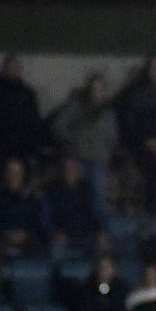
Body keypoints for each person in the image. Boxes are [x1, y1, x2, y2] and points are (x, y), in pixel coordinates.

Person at [47, 71, 117, 219]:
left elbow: (112, 135)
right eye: (95, 89)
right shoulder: (78, 108)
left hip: (99, 158)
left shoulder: (108, 111)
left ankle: (98, 228)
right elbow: (58, 125)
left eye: (101, 89)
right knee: (80, 195)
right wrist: (74, 139)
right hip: (80, 157)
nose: (98, 93)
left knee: (98, 196)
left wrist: (106, 147)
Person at [116, 55, 156, 215]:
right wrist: (146, 140)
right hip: (140, 144)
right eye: (153, 67)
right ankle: (154, 212)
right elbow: (129, 121)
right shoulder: (135, 92)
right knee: (151, 176)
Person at [0, 156, 49, 259]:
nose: (14, 176)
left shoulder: (33, 197)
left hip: (27, 240)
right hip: (2, 239)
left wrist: (25, 234)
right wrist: (8, 234)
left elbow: (38, 222)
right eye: (11, 172)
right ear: (6, 174)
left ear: (23, 174)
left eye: (17, 172)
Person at [43, 153, 105, 258]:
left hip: (87, 235)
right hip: (63, 238)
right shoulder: (52, 190)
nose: (69, 171)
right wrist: (54, 232)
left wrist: (100, 231)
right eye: (66, 168)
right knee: (55, 249)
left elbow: (97, 214)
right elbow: (45, 217)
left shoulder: (88, 189)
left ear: (78, 170)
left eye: (72, 167)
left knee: (104, 246)